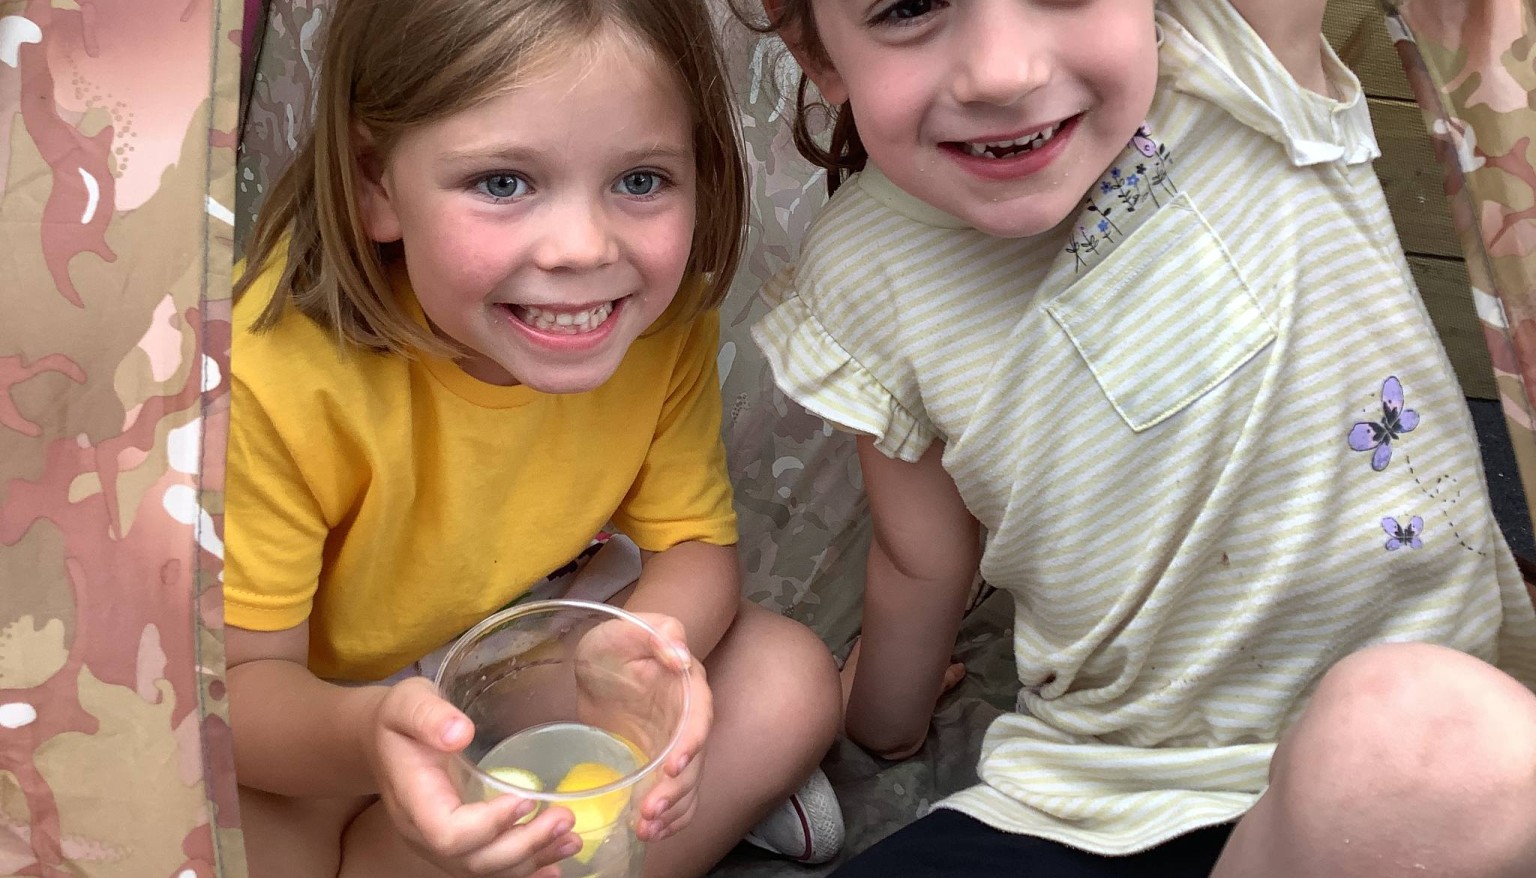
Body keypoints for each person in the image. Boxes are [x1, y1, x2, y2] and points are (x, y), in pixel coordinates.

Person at [749, 0, 1536, 874]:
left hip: (1428, 761)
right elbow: (919, 560)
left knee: (1432, 738)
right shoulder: (859, 267)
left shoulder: (1236, 55)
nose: (1001, 71)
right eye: (908, 6)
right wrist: (880, 725)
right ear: (817, 54)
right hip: (1108, 787)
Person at [222, 0, 845, 875]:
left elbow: (695, 543)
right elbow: (242, 698)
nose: (584, 249)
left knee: (788, 681)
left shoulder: (657, 326)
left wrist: (639, 662)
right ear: (375, 185)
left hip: (518, 658)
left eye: (640, 181)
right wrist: (370, 738)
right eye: (503, 183)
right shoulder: (273, 376)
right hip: (323, 718)